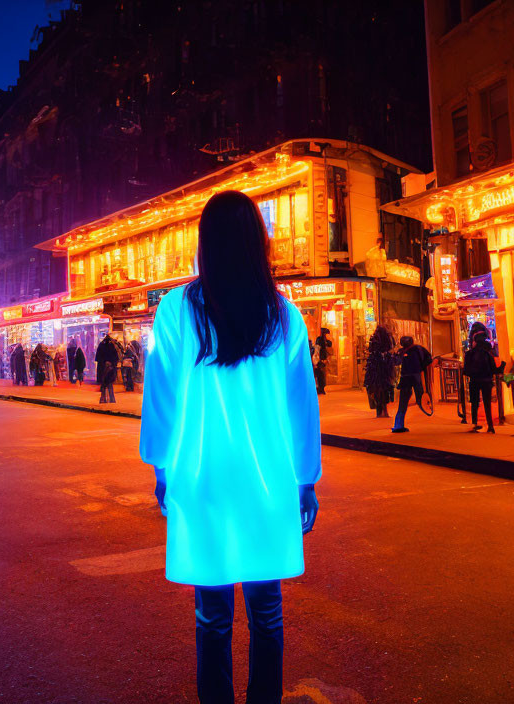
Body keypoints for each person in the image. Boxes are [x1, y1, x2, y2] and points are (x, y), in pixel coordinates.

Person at [140, 191, 321, 703]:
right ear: (257, 243)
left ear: (206, 243)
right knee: (267, 613)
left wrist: (160, 467)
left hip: (203, 480)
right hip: (267, 480)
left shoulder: (177, 309)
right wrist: (305, 478)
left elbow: (161, 396)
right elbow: (302, 405)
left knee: (212, 616)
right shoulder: (283, 315)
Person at [463, 329, 501, 433]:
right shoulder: (487, 354)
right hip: (486, 381)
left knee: (475, 403)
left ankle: (475, 424)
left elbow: (465, 370)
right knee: (487, 403)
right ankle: (490, 425)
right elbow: (494, 369)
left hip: (474, 381)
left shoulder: (469, 354)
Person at [391, 336, 432, 433]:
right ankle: (426, 408)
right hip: (416, 376)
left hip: (406, 377)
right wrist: (422, 367)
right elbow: (428, 359)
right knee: (420, 397)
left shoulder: (402, 351)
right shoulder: (419, 349)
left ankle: (398, 425)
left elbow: (396, 362)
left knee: (403, 403)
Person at [363, 326, 395, 418]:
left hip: (375, 369)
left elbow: (370, 350)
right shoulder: (387, 340)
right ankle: (385, 411)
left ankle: (379, 412)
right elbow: (391, 348)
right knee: (384, 390)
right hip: (384, 369)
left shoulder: (374, 340)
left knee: (377, 391)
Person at [312, 328, 331, 394]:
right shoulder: (319, 340)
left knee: (322, 375)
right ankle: (320, 389)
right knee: (320, 375)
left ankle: (321, 388)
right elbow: (317, 349)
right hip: (320, 360)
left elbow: (329, 345)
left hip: (323, 359)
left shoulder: (325, 340)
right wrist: (318, 359)